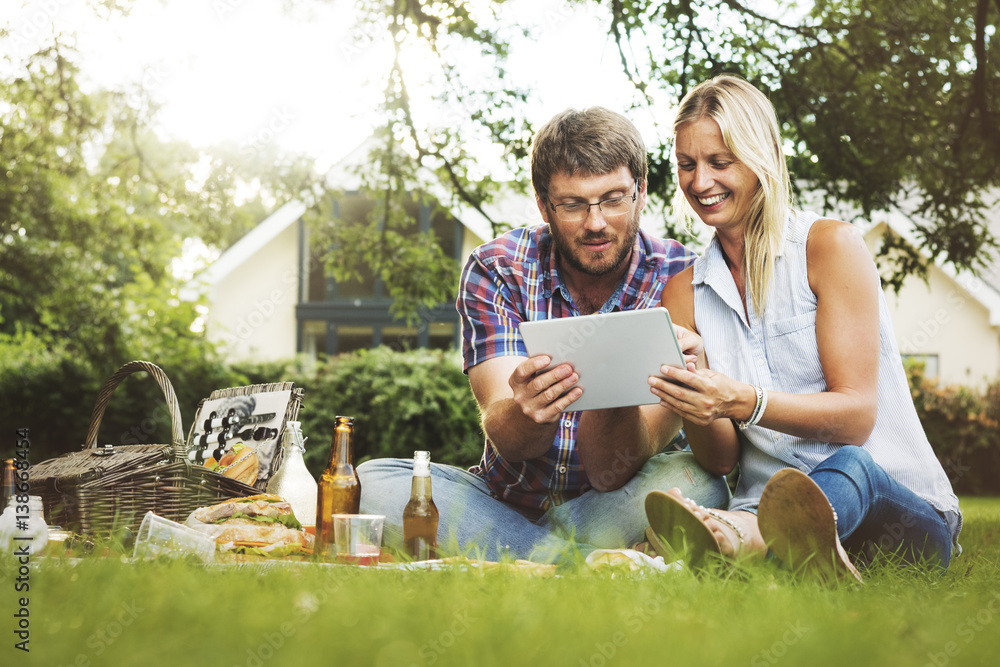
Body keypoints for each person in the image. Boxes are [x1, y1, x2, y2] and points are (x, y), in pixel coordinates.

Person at [358, 107, 730, 563]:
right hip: (499, 501)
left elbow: (615, 471)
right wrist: (527, 410)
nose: (595, 223)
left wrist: (614, 380)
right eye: (573, 204)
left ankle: (512, 558)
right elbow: (509, 439)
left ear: (642, 193)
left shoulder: (682, 276)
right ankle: (586, 564)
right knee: (373, 483)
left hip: (614, 503)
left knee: (704, 482)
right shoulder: (497, 267)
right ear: (542, 203)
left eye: (613, 199)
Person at [643, 74, 962, 579]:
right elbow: (722, 460)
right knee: (776, 500)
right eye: (687, 165)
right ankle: (784, 555)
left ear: (761, 154)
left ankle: (738, 544)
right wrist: (698, 395)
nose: (700, 183)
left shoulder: (829, 248)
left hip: (896, 515)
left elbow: (855, 416)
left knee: (852, 466)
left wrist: (741, 399)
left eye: (719, 162)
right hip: (764, 506)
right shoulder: (683, 294)